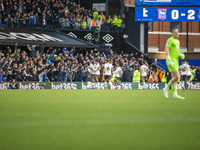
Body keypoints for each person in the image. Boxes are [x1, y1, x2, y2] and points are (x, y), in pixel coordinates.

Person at [162, 28, 185, 99]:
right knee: (177, 77)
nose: (177, 33)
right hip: (171, 61)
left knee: (174, 78)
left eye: (177, 32)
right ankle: (165, 88)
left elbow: (175, 52)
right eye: (175, 32)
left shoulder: (177, 41)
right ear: (172, 33)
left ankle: (175, 94)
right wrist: (169, 59)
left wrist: (180, 54)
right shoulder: (170, 40)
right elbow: (166, 49)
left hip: (175, 61)